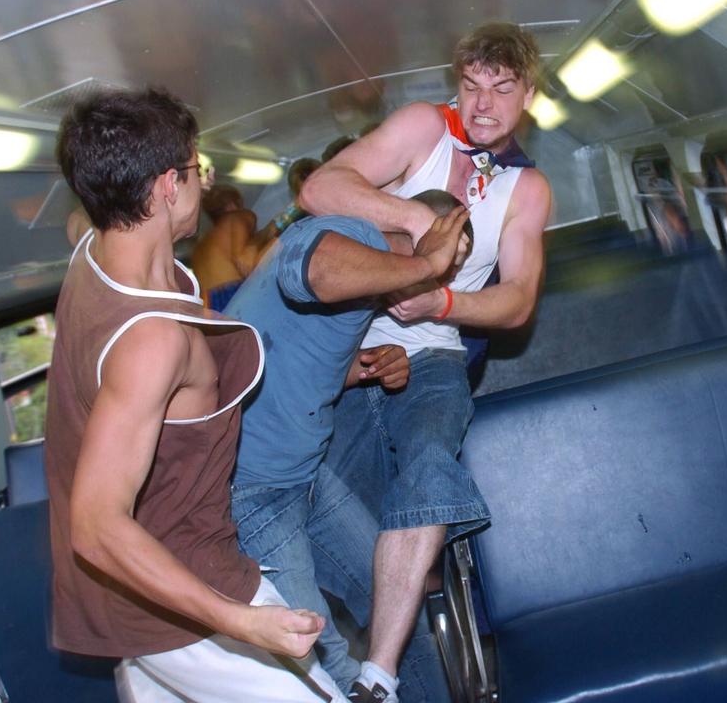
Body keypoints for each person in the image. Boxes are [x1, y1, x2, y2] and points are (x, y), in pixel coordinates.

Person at [44, 87, 341, 703]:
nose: (202, 184)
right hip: (178, 598)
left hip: (130, 596)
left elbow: (78, 216)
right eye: (195, 169)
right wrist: (238, 621)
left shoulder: (91, 250)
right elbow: (96, 526)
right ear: (162, 189)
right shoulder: (150, 342)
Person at [300, 22, 552, 703]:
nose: (482, 104)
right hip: (351, 345)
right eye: (471, 85)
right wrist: (412, 224)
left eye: (501, 88)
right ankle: (350, 640)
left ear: (527, 93)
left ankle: (377, 677)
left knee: (432, 456)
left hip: (436, 352)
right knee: (314, 490)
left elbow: (518, 301)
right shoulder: (422, 128)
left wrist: (439, 301)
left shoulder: (526, 191)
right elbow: (321, 189)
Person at [226, 191, 469, 702]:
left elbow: (298, 357)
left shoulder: (372, 288)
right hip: (253, 486)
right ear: (421, 229)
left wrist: (364, 368)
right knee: (320, 660)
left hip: (309, 475)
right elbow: (313, 268)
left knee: (396, 617)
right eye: (449, 262)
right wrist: (424, 262)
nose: (443, 280)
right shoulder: (344, 236)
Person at [191, 184, 258, 311]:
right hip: (232, 293)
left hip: (207, 304)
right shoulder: (239, 216)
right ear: (233, 204)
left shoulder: (201, 244)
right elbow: (242, 259)